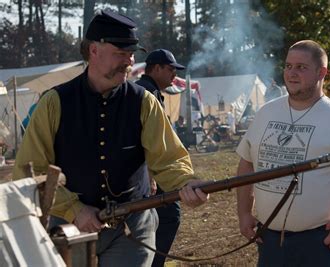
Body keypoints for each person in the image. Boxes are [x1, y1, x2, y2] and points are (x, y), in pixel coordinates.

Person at [13, 10, 208, 267]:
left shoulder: (143, 102)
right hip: (68, 230)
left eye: (131, 54)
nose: (129, 61)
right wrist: (74, 210)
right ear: (94, 50)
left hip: (132, 229)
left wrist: (187, 182)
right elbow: (31, 173)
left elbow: (168, 158)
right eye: (121, 53)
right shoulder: (54, 102)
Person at [236, 40, 330, 266]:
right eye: (288, 66)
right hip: (271, 241)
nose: (292, 73)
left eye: (301, 67)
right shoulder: (266, 113)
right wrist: (244, 212)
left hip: (322, 244)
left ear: (321, 72)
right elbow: (247, 162)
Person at [135, 48, 186, 267]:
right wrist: (149, 172)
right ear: (155, 68)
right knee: (167, 218)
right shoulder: (145, 93)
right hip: (150, 172)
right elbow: (139, 135)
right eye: (170, 69)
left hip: (153, 170)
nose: (173, 75)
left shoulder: (147, 90)